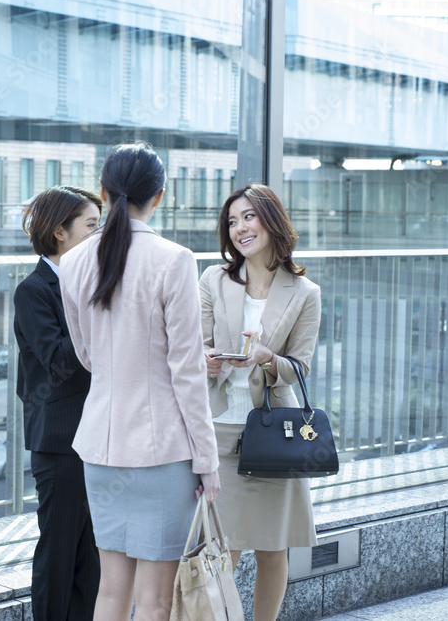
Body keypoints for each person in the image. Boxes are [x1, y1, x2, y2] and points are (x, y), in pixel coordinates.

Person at [59, 142, 220, 621]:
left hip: (101, 448)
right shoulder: (174, 259)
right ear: (161, 196)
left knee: (111, 591)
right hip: (162, 452)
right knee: (155, 600)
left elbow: (87, 355)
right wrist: (207, 459)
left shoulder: (74, 261)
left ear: (104, 192)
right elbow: (187, 371)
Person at [199, 184, 321, 621]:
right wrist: (206, 359)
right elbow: (196, 345)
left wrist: (270, 361)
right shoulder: (214, 279)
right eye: (232, 221)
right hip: (219, 430)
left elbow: (300, 368)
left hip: (272, 434)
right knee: (221, 550)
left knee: (272, 547)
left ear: (270, 219)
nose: (239, 228)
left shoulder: (305, 292)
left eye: (248, 216)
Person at [14, 185, 103, 621]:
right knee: (59, 550)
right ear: (59, 232)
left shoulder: (92, 283)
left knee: (93, 554)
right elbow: (56, 361)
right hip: (61, 439)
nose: (99, 235)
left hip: (100, 432)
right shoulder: (34, 290)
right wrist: (103, 323)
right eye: (91, 226)